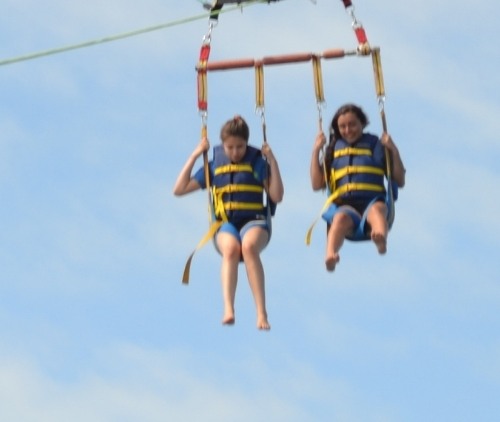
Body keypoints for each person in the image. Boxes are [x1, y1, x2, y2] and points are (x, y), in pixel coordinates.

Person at [173, 115, 284, 329]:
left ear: (246, 144)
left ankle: (261, 313)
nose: (235, 152)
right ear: (223, 145)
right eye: (230, 147)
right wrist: (196, 154)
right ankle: (228, 308)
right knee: (232, 249)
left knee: (249, 247)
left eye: (240, 147)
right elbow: (179, 189)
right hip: (226, 224)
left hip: (255, 220)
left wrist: (273, 162)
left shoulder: (257, 163)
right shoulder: (215, 165)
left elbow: (277, 196)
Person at [309, 103, 405, 272]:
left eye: (352, 124)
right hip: (345, 205)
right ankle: (330, 254)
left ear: (362, 123)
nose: (348, 130)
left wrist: (393, 149)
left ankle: (380, 238)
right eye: (342, 127)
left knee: (377, 211)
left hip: (373, 200)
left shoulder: (375, 144)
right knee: (339, 219)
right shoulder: (333, 149)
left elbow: (399, 179)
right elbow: (317, 185)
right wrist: (316, 149)